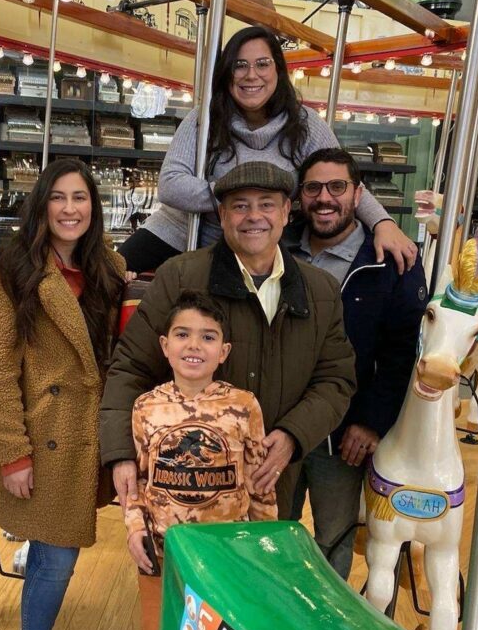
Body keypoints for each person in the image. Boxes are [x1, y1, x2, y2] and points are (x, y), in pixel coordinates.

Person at [102, 160, 356, 525]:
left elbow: (336, 379)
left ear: (286, 211)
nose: (254, 216)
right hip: (178, 498)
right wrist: (121, 454)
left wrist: (292, 435)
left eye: (266, 204)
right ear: (222, 215)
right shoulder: (180, 277)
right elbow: (130, 368)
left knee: (261, 575)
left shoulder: (321, 291)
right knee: (177, 580)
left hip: (269, 484)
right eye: (240, 206)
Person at [0, 158, 126, 630]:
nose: (70, 209)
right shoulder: (14, 273)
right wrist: (12, 451)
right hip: (43, 436)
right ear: (41, 206)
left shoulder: (107, 268)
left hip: (88, 431)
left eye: (81, 198)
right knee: (58, 556)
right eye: (59, 198)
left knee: (52, 552)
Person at [118, 25, 417, 276]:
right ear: (227, 73)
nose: (251, 75)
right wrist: (235, 196)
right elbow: (170, 184)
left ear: (278, 69)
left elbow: (340, 180)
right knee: (112, 273)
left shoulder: (305, 124)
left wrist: (383, 222)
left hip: (261, 244)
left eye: (262, 64)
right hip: (183, 229)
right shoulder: (205, 117)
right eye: (240, 65)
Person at [126, 290, 278, 630]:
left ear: (223, 351)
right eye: (183, 335)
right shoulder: (145, 407)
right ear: (164, 346)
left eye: (208, 337)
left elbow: (258, 479)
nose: (194, 345)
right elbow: (136, 479)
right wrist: (134, 529)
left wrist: (261, 543)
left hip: (224, 554)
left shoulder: (244, 406)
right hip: (162, 550)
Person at [284, 148, 427, 579]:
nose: (324, 198)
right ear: (300, 196)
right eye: (313, 188)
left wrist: (371, 423)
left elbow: (402, 352)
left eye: (336, 187)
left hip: (342, 434)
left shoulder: (392, 261)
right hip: (277, 423)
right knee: (267, 529)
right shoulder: (277, 246)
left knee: (334, 539)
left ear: (358, 194)